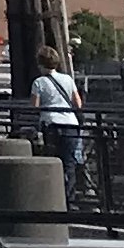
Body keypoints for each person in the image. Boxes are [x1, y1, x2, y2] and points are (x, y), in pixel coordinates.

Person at [31, 52, 85, 189]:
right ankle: (70, 197)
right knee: (69, 162)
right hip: (71, 123)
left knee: (52, 161)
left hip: (51, 124)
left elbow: (35, 106)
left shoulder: (39, 82)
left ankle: (54, 193)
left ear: (40, 65)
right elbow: (78, 103)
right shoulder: (67, 79)